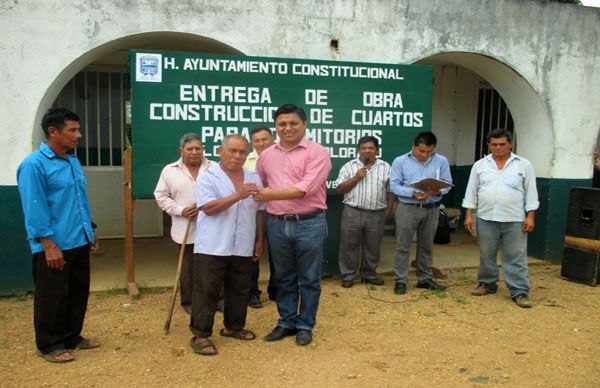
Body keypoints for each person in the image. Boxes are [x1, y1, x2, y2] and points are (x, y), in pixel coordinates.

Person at [16, 108, 100, 363]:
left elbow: (79, 200)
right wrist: (48, 244)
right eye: (72, 130)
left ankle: (72, 336)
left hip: (79, 239)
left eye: (78, 129)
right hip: (54, 244)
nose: (79, 135)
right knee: (51, 296)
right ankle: (50, 344)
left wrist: (91, 231)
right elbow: (34, 206)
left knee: (77, 292)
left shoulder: (71, 161)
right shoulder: (34, 165)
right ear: (53, 131)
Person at [254, 103, 331, 346]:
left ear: (304, 124)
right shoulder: (266, 155)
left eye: (293, 123)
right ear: (276, 126)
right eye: (282, 124)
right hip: (276, 224)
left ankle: (305, 325)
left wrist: (269, 196)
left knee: (309, 278)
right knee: (283, 278)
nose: (287, 128)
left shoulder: (317, 153)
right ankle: (287, 321)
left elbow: (303, 190)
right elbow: (261, 182)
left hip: (309, 223)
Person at [189, 135, 265, 356]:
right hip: (213, 245)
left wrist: (259, 240)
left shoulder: (254, 178)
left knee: (240, 288)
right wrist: (238, 195)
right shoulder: (208, 177)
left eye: (242, 152)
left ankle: (233, 327)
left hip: (243, 243)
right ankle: (200, 335)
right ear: (220, 152)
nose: (237, 156)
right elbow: (209, 208)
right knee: (207, 290)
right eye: (232, 151)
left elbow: (260, 212)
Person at [463, 129, 539, 308]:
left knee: (516, 256)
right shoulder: (480, 165)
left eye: (502, 144)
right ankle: (487, 284)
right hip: (486, 217)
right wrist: (468, 215)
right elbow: (471, 191)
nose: (498, 147)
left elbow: (531, 192)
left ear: (510, 144)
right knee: (486, 253)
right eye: (494, 144)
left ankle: (519, 291)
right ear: (489, 145)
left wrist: (530, 216)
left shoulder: (523, 165)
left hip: (514, 219)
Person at [154, 133, 216, 314]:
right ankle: (188, 302)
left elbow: (223, 193)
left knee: (213, 266)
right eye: (190, 149)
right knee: (187, 269)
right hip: (185, 228)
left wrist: (205, 206)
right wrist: (181, 210)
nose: (195, 152)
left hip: (213, 227)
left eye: (199, 148)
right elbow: (161, 196)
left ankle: (217, 299)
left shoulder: (214, 167)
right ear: (180, 151)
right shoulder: (169, 170)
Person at [390, 131, 452, 295]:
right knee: (403, 246)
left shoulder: (441, 160)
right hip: (408, 207)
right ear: (413, 146)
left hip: (432, 208)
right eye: (421, 151)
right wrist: (412, 193)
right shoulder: (400, 161)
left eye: (429, 152)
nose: (424, 155)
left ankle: (424, 279)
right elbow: (394, 186)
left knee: (426, 246)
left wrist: (438, 191)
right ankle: (401, 280)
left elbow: (447, 183)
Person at [335, 136, 394, 288]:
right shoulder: (348, 166)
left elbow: (390, 190)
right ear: (358, 150)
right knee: (348, 245)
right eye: (363, 148)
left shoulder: (385, 167)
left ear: (377, 150)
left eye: (371, 148)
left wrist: (389, 209)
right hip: (352, 211)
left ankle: (369, 274)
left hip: (376, 213)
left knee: (373, 246)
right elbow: (340, 188)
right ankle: (348, 275)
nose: (367, 151)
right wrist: (356, 178)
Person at [243, 126, 277, 308]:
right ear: (252, 143)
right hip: (254, 214)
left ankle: (276, 290)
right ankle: (253, 293)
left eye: (265, 139)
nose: (261, 143)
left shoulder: (282, 158)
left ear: (273, 139)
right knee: (253, 254)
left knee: (278, 254)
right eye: (256, 140)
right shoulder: (246, 161)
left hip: (278, 212)